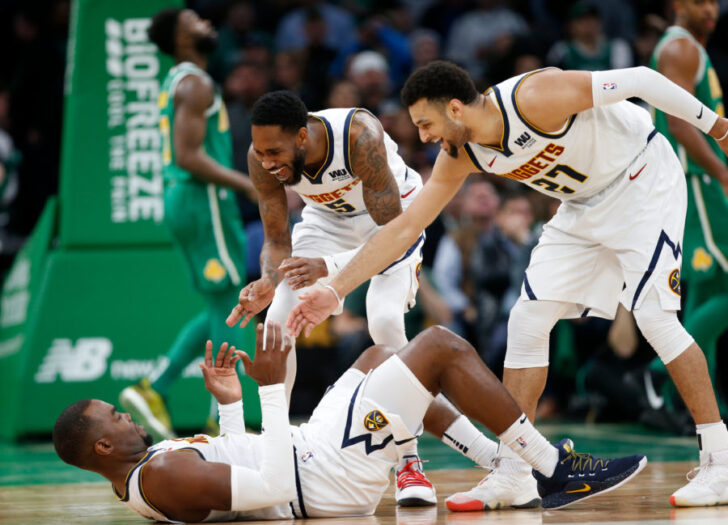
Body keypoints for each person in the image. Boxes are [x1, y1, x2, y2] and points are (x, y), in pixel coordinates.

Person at [287, 60, 728, 509]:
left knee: (655, 317)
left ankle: (720, 463)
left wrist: (719, 127)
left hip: (640, 178)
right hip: (579, 204)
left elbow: (642, 80)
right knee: (526, 321)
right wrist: (337, 287)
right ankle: (515, 473)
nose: (422, 137)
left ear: (456, 109)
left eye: (426, 124)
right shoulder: (461, 154)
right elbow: (403, 229)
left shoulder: (534, 98)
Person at [53, 322, 647, 522]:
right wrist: (270, 392)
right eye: (118, 416)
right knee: (437, 346)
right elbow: (273, 489)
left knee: (378, 357)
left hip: (308, 458)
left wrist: (232, 403)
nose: (129, 415)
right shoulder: (162, 480)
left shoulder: (148, 473)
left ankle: (500, 465)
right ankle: (552, 468)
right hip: (322, 483)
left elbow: (242, 463)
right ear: (104, 445)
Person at [225, 89, 494, 506]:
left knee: (384, 322)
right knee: (277, 320)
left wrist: (330, 269)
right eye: (259, 153)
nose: (265, 162)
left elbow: (393, 238)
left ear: (301, 137)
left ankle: (410, 459)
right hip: (325, 224)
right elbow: (277, 240)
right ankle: (275, 450)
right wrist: (267, 278)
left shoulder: (358, 137)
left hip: (393, 221)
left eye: (273, 152)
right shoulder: (262, 157)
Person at [119, 8, 257, 441]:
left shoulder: (181, 80)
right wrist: (248, 184)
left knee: (220, 305)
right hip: (203, 200)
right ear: (180, 38)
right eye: (196, 19)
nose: (208, 23)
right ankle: (221, 416)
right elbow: (188, 157)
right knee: (230, 303)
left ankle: (155, 386)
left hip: (187, 202)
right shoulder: (195, 83)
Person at [649, 0, 728, 417]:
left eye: (715, 2)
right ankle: (657, 371)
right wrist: (722, 172)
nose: (711, 9)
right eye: (700, 1)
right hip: (696, 179)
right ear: (679, 4)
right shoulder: (679, 49)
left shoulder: (689, 49)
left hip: (692, 180)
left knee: (709, 289)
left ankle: (699, 406)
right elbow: (679, 123)